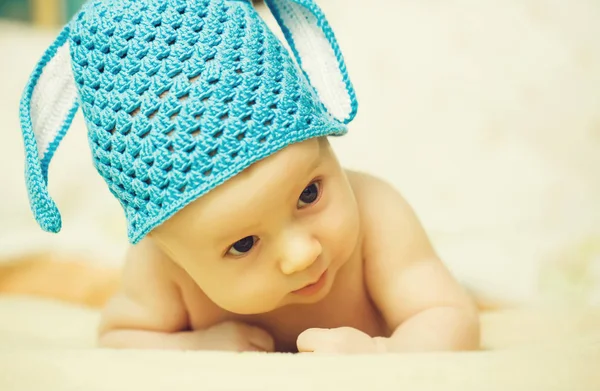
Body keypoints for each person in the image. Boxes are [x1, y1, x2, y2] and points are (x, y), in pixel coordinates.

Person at [18, 0, 479, 353]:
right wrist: (195, 346)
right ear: (167, 246)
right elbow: (120, 335)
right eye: (242, 245)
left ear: (323, 142)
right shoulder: (160, 266)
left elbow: (449, 314)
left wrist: (388, 352)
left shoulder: (379, 215)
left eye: (310, 193)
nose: (302, 254)